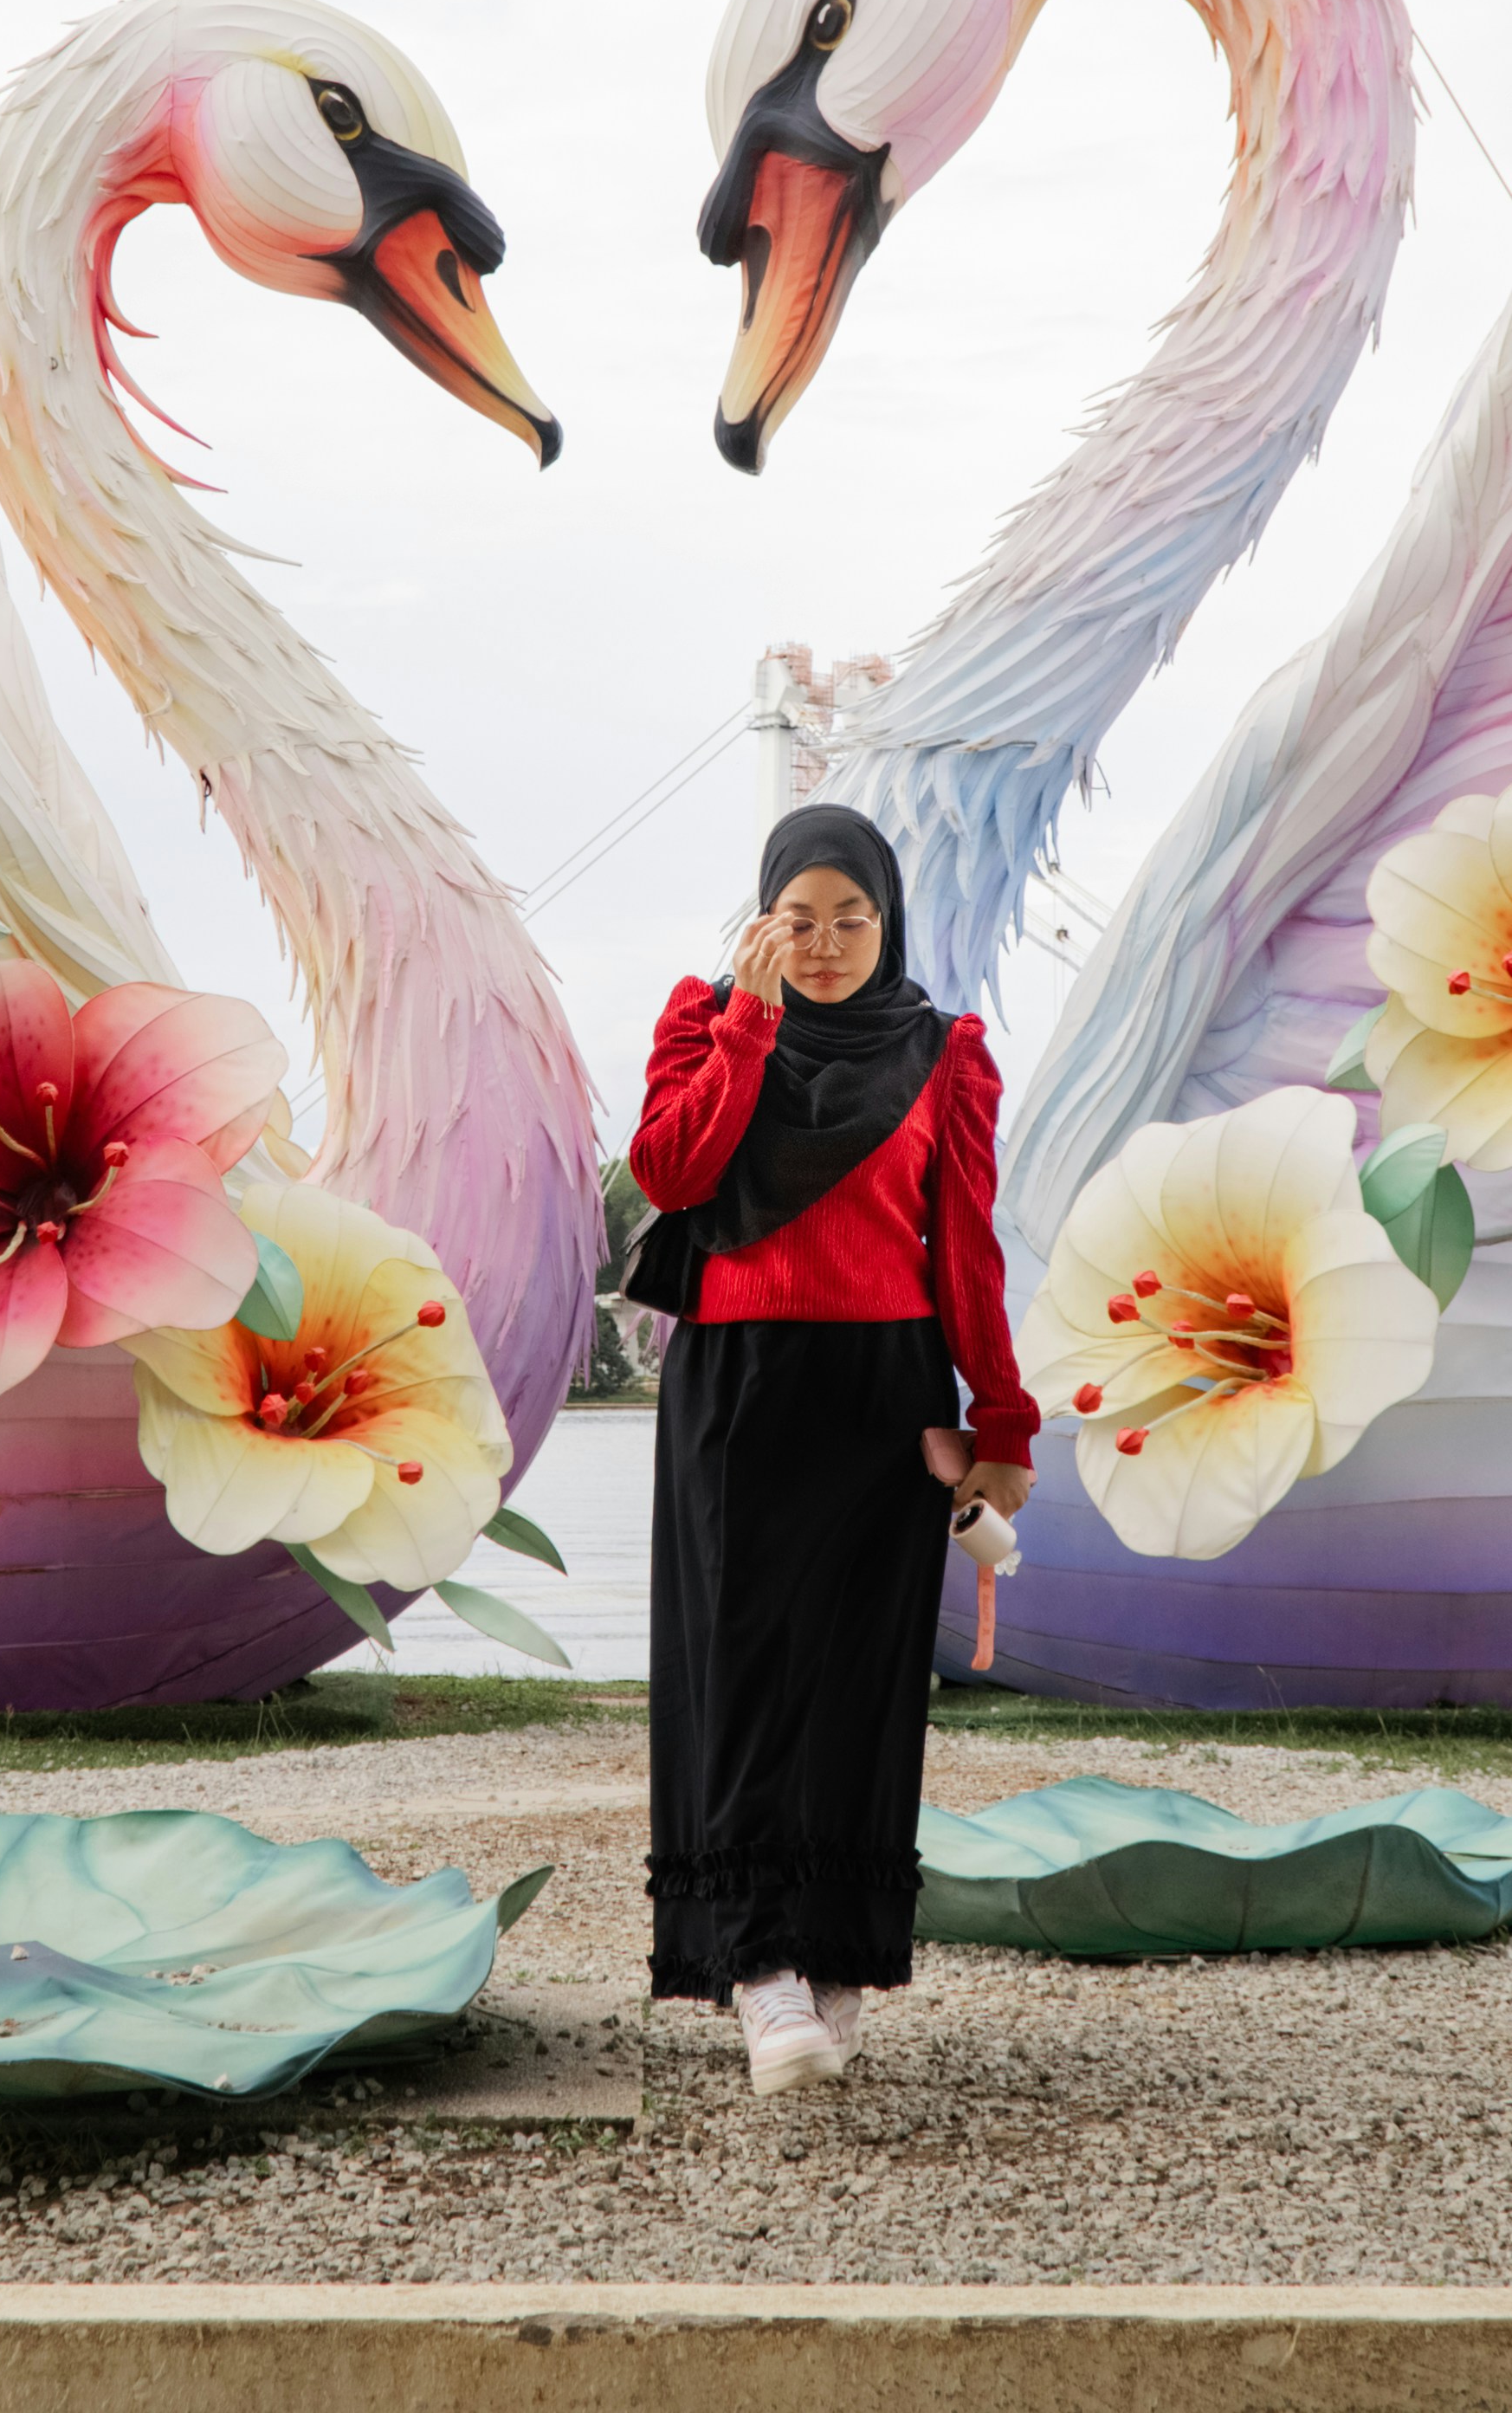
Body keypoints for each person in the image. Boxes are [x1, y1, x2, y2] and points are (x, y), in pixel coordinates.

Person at [624, 802, 1037, 2093]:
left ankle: (841, 1956)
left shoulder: (942, 1052)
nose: (825, 944)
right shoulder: (704, 1022)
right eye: (797, 922)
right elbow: (673, 1173)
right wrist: (749, 1028)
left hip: (886, 1388)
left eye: (850, 919)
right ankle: (757, 1969)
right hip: (741, 1383)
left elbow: (966, 1247)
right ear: (761, 922)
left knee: (862, 1682)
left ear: (887, 919)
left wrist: (1003, 1420)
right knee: (743, 1672)